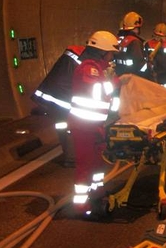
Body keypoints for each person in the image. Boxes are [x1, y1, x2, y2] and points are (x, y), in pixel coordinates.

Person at [68, 31, 120, 216]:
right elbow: (97, 90)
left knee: (98, 163)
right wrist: (113, 82)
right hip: (84, 126)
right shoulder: (89, 69)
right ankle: (81, 204)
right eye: (110, 53)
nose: (112, 56)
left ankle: (98, 191)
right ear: (102, 51)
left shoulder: (98, 68)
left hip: (96, 124)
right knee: (85, 165)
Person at [32, 44, 85, 167]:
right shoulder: (87, 61)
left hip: (52, 94)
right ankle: (72, 158)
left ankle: (69, 155)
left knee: (62, 126)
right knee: (71, 126)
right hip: (63, 97)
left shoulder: (75, 53)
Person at [145, 22, 166, 89]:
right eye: (157, 35)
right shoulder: (148, 44)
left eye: (161, 36)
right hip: (160, 77)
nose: (159, 38)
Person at [116, 11, 149, 79]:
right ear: (137, 27)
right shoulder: (135, 42)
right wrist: (149, 66)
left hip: (120, 76)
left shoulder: (121, 40)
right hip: (133, 78)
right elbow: (140, 65)